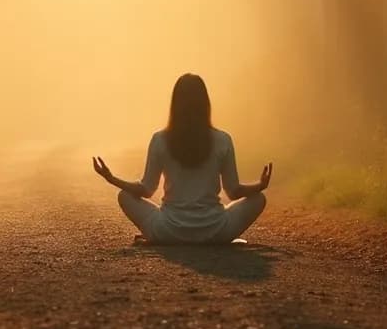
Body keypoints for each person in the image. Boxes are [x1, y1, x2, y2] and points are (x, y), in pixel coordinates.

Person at [92, 73, 271, 244]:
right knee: (259, 198)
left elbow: (146, 189)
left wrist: (112, 179)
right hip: (216, 230)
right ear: (205, 103)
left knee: (125, 196)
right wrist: (260, 185)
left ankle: (158, 236)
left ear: (175, 104)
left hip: (167, 230)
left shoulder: (160, 139)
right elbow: (233, 191)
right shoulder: (223, 139)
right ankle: (207, 239)